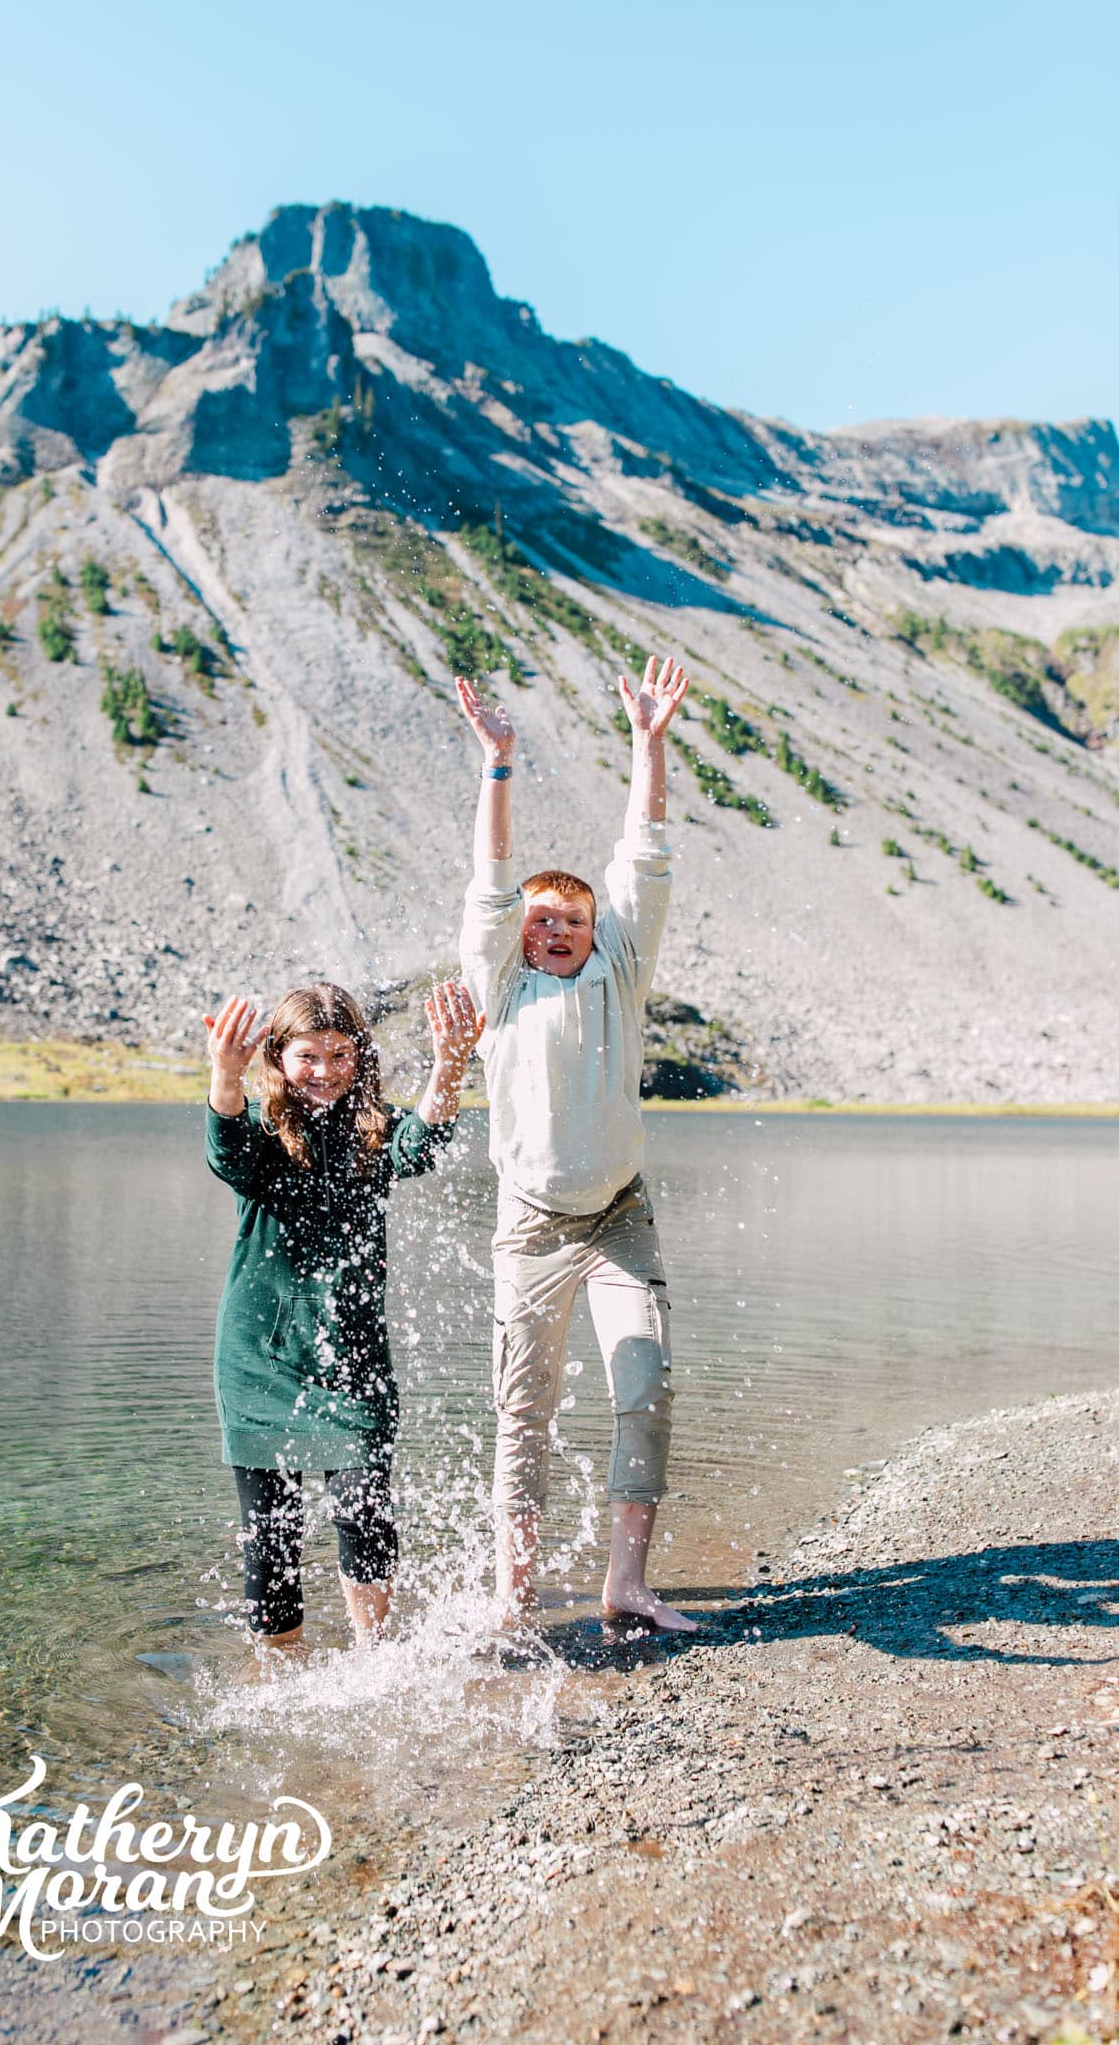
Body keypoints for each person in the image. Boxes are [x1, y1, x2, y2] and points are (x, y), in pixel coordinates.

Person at [456, 654, 699, 1632]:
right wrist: (498, 764)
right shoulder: (501, 984)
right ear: (519, 937)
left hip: (620, 1218)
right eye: (540, 919)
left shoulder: (622, 970)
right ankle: (511, 1600)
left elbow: (643, 852)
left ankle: (625, 1583)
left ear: (600, 933)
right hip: (531, 1228)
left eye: (572, 918)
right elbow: (489, 879)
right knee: (525, 1410)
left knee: (644, 1384)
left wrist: (650, 742)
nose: (552, 927)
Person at [203, 979, 481, 1647]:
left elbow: (425, 1145)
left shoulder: (372, 1133)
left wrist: (449, 1064)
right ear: (277, 1058)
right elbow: (226, 1151)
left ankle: (373, 1659)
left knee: (364, 1512)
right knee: (269, 1536)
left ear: (359, 1055)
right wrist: (223, 1073)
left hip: (353, 1361)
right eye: (307, 1056)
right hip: (259, 1361)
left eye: (337, 1054)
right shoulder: (265, 1133)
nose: (323, 1071)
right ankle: (278, 1674)